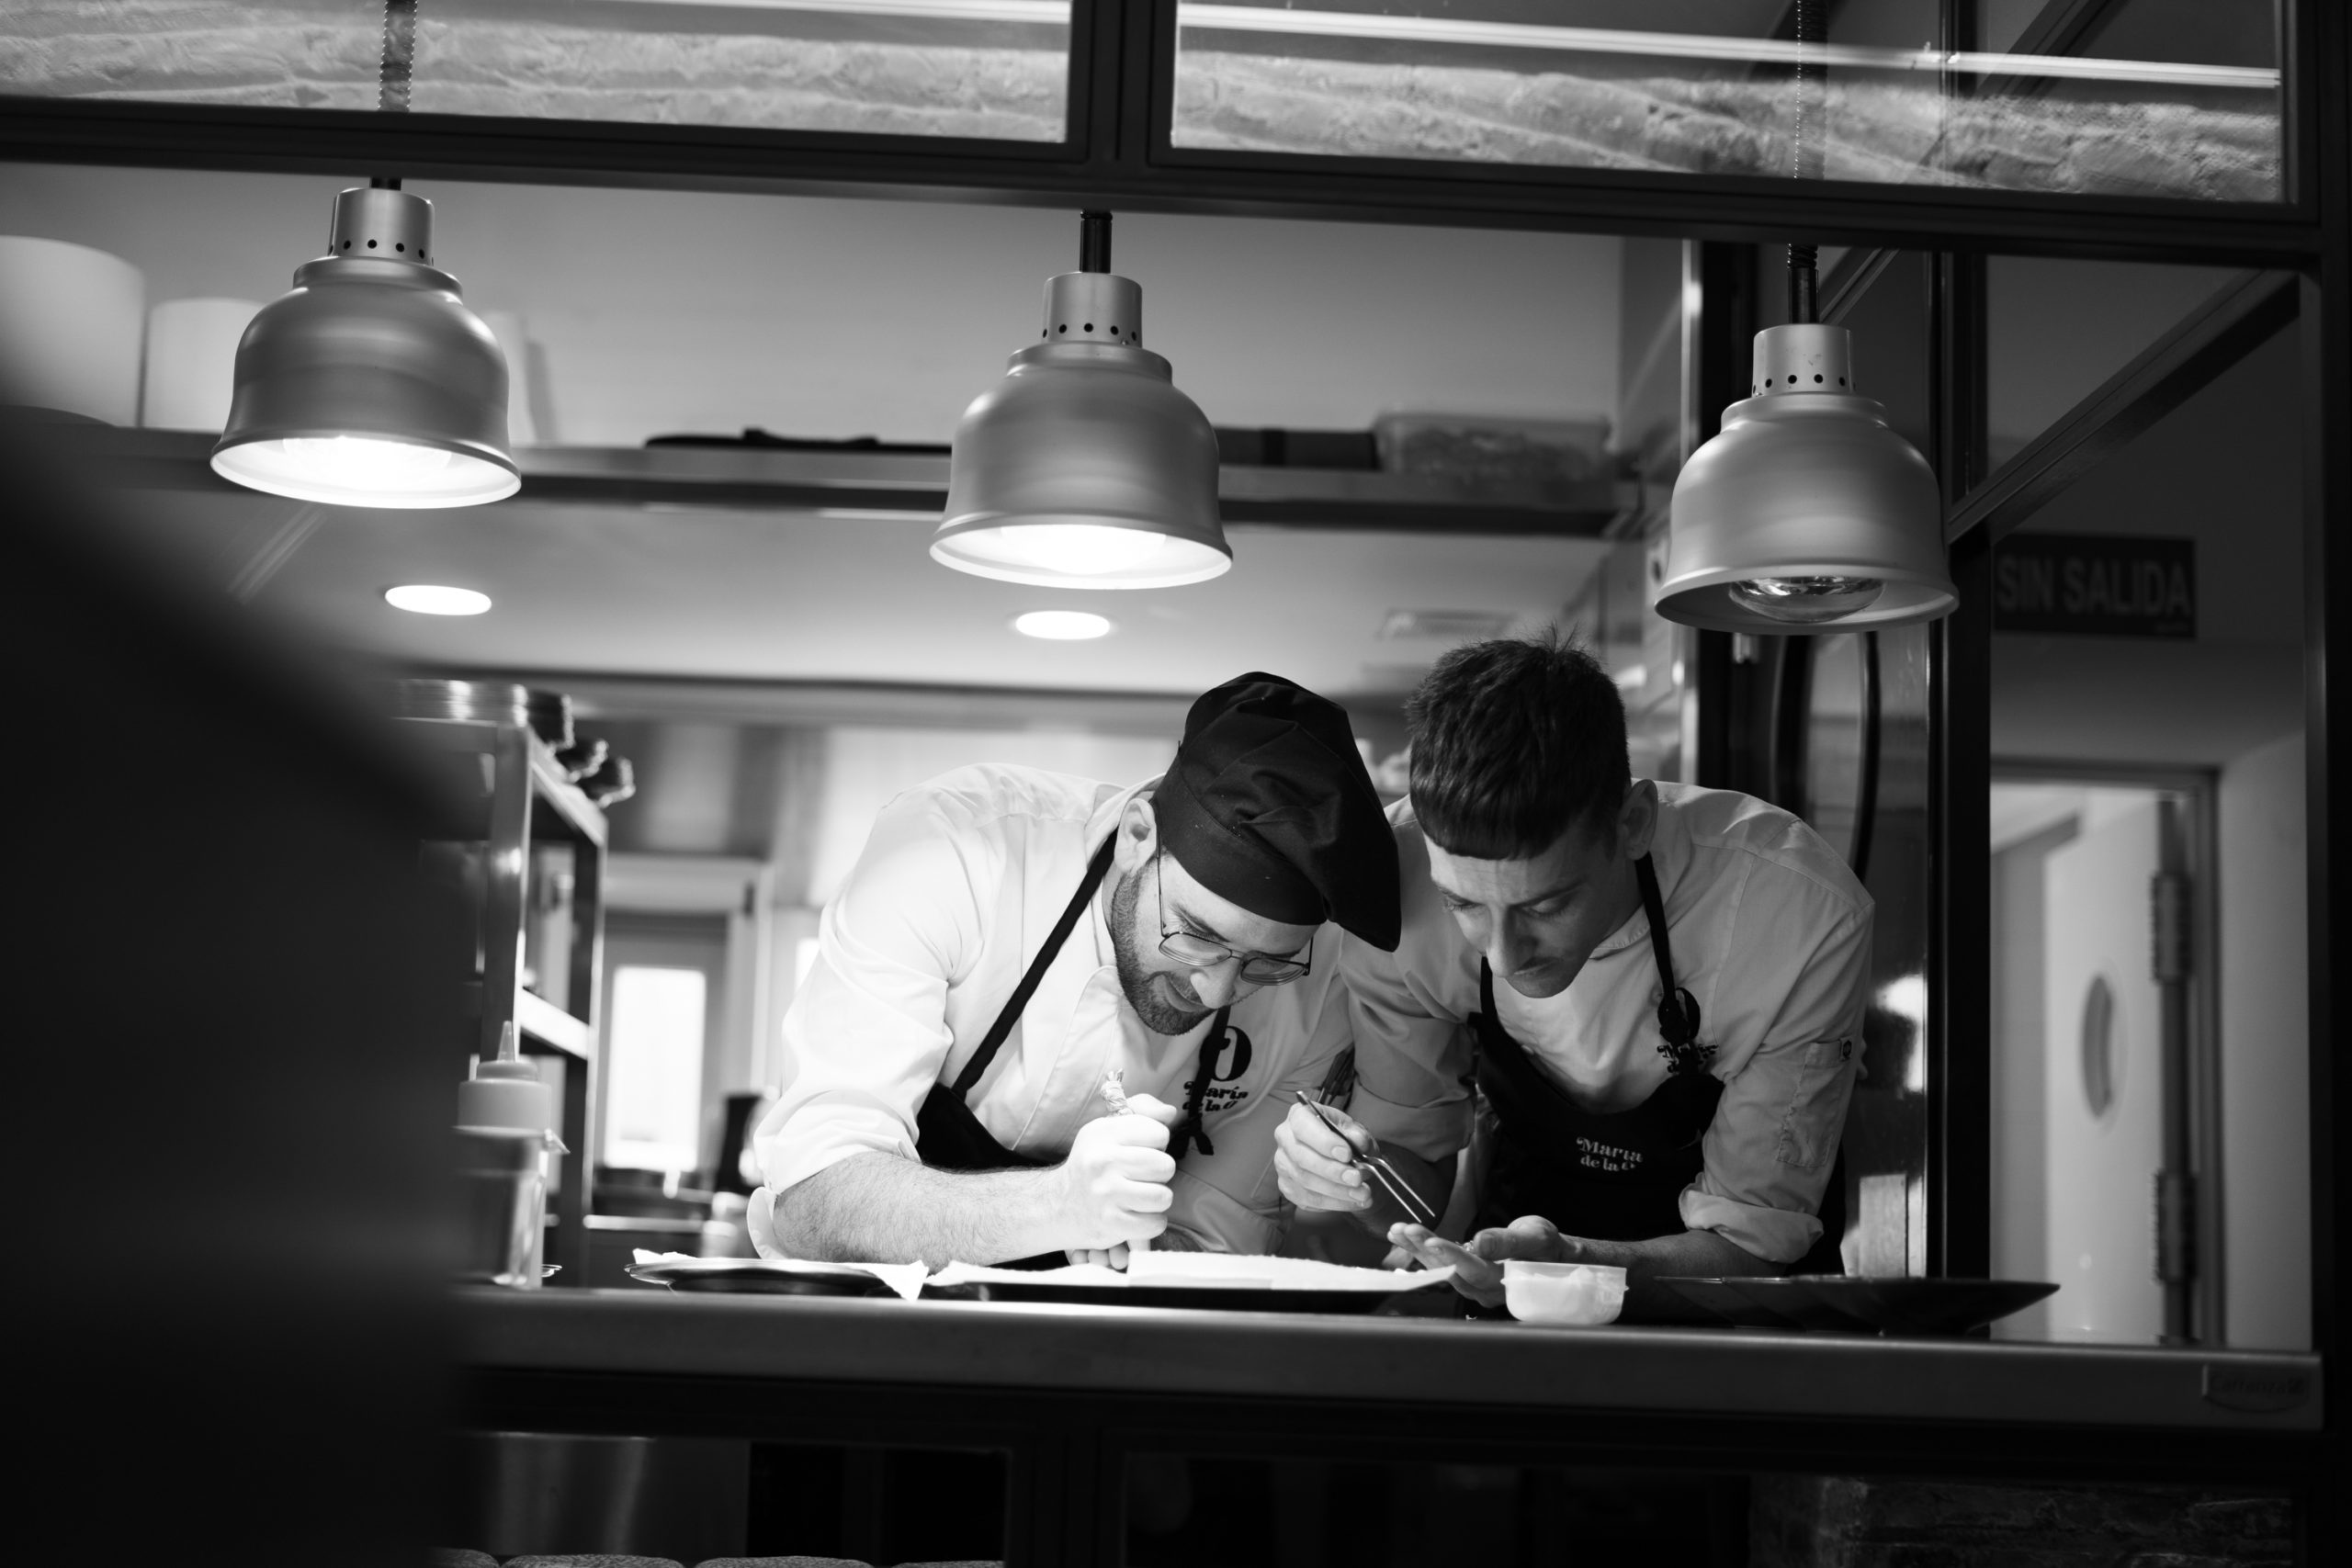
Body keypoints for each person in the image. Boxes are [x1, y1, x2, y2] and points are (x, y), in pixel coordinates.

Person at [748, 671, 1452, 1269]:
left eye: (1263, 964)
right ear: (1137, 836)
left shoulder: (1320, 985)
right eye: (1196, 934)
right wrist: (1058, 1208)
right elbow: (815, 1197)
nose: (1215, 989)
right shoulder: (958, 852)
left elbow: (1221, 1234)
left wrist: (1140, 1243)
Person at [1274, 635, 1871, 1309]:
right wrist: (1349, 1173)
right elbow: (1418, 1192)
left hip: (1728, 1313)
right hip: (1509, 1265)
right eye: (1463, 904)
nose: (1504, 957)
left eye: (1545, 905)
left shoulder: (1796, 914)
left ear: (1633, 823)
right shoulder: (1395, 889)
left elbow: (1752, 1245)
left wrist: (1575, 1265)